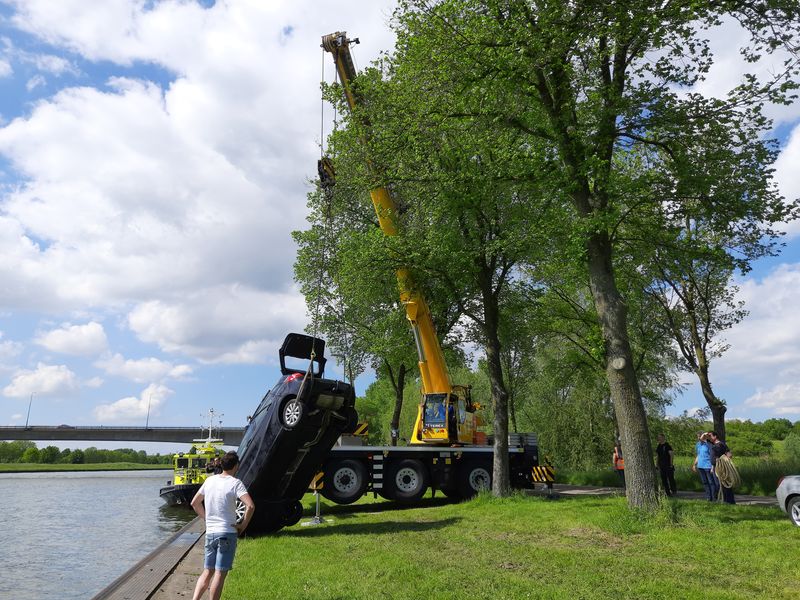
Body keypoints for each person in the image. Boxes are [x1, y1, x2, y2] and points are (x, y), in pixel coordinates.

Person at [191, 451, 255, 600]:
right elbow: (250, 506)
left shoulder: (210, 481)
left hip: (211, 532)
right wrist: (243, 525)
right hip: (227, 532)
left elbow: (195, 503)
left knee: (207, 571)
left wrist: (207, 518)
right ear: (236, 466)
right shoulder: (235, 483)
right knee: (220, 573)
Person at [708, 431, 736, 504]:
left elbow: (728, 454)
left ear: (715, 436)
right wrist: (712, 467)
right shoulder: (712, 445)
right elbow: (703, 438)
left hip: (722, 467)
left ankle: (729, 501)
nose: (709, 437)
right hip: (715, 467)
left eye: (710, 436)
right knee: (718, 484)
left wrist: (726, 459)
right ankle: (724, 500)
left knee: (725, 484)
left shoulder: (721, 444)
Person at [692, 431, 717, 501]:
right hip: (700, 466)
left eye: (699, 436)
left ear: (704, 437)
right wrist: (694, 464)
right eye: (697, 436)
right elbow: (698, 455)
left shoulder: (708, 444)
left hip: (708, 466)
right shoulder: (698, 444)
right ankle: (709, 497)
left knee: (711, 482)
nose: (698, 438)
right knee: (705, 482)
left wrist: (712, 466)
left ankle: (714, 497)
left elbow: (712, 456)